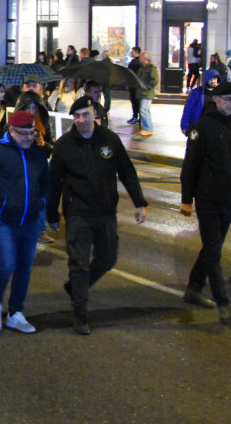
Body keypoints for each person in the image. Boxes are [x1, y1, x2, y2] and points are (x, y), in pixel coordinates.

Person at [48, 96, 148, 335]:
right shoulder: (64, 144)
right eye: (77, 116)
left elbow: (127, 172)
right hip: (78, 214)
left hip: (105, 212)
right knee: (79, 264)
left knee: (108, 259)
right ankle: (80, 314)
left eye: (85, 114)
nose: (81, 120)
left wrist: (139, 202)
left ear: (94, 113)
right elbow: (54, 183)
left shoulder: (110, 140)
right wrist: (52, 213)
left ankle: (76, 288)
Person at [0, 110, 50, 334]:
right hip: (3, 220)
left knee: (24, 268)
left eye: (32, 133)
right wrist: (2, 201)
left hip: (30, 222)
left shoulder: (37, 154)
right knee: (7, 264)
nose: (29, 137)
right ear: (12, 131)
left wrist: (42, 202)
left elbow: (47, 181)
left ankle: (16, 312)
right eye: (24, 133)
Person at [179, 83, 231, 324]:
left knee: (211, 248)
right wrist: (187, 200)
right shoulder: (203, 127)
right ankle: (224, 305)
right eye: (228, 99)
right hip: (207, 198)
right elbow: (190, 166)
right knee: (215, 251)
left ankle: (194, 289)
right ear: (216, 100)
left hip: (230, 197)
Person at [180, 69, 219, 135]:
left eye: (215, 78)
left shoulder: (218, 93)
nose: (213, 81)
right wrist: (184, 125)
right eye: (211, 78)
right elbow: (188, 108)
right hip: (197, 125)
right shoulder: (197, 92)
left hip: (213, 127)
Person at [137, 52, 159, 137]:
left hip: (147, 92)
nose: (140, 58)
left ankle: (148, 128)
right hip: (142, 92)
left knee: (143, 110)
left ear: (145, 58)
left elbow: (155, 80)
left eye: (141, 56)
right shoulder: (142, 68)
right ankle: (148, 128)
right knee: (146, 110)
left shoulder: (152, 68)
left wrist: (147, 87)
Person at [126, 46, 142, 124]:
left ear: (136, 52)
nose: (131, 53)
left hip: (136, 86)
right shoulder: (134, 61)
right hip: (133, 84)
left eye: (132, 51)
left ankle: (137, 117)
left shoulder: (138, 63)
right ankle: (136, 116)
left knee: (136, 102)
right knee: (134, 101)